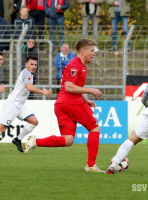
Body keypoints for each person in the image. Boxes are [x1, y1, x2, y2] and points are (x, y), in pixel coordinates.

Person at [24, 39, 105, 172]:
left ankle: (36, 142)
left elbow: (73, 86)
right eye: (91, 51)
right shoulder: (75, 65)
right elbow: (69, 87)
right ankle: (91, 165)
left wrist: (85, 99)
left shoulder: (78, 65)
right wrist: (90, 90)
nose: (94, 53)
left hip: (61, 104)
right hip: (71, 103)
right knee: (95, 129)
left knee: (68, 140)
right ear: (83, 51)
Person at [0, 55, 52, 154]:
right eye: (31, 64)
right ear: (26, 65)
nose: (34, 66)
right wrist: (43, 92)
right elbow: (29, 87)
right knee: (1, 129)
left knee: (34, 121)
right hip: (12, 104)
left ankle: (17, 140)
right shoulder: (27, 73)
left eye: (35, 65)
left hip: (19, 105)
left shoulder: (29, 74)